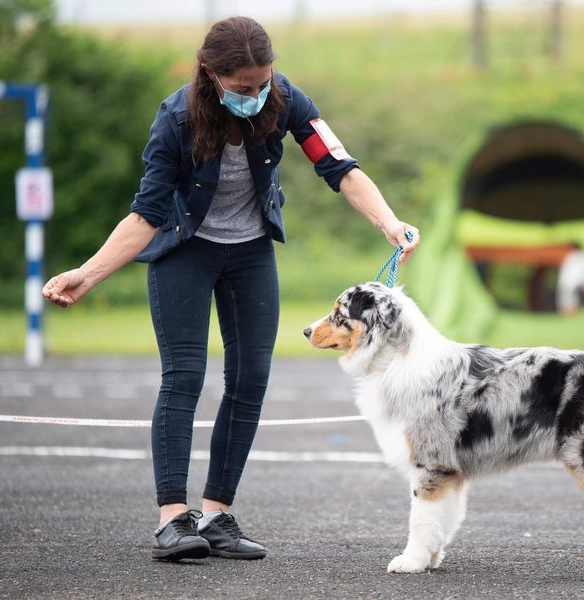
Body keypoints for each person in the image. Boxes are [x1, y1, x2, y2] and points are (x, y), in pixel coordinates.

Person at [41, 16, 419, 561]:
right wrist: (89, 272)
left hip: (250, 253)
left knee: (251, 379)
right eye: (244, 87)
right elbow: (147, 215)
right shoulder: (175, 119)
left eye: (264, 82)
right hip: (184, 252)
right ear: (211, 75)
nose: (257, 94)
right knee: (185, 377)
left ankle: (217, 515)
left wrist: (388, 221)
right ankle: (173, 520)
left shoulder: (285, 99)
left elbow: (339, 166)